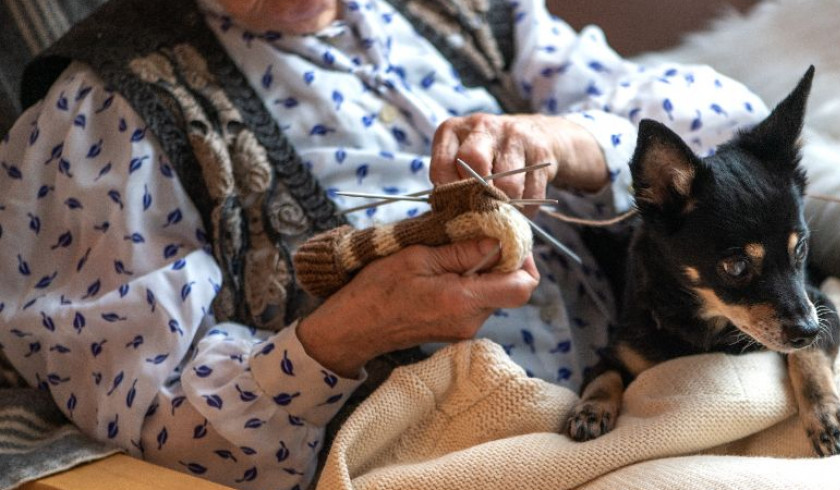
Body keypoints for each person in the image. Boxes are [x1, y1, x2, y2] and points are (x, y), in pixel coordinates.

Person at [0, 0, 767, 488]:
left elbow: (738, 126)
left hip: (655, 391)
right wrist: (349, 332)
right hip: (452, 462)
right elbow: (149, 407)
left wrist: (573, 138)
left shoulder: (465, 10)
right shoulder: (103, 113)